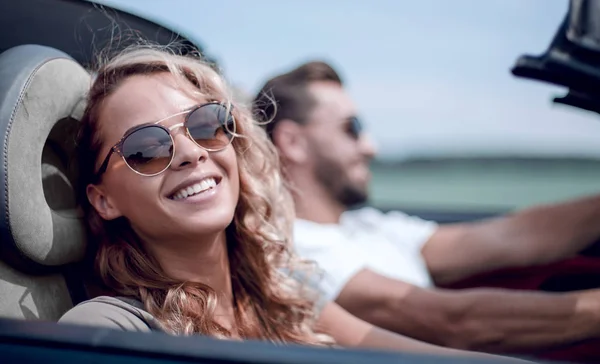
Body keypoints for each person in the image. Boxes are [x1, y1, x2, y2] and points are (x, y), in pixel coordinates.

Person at [55, 45, 529, 362]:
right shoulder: (112, 329)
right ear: (103, 200)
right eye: (145, 148)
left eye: (206, 124)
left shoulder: (280, 294)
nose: (192, 151)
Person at [252, 60, 600, 354]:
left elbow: (510, 237)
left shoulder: (365, 224)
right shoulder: (297, 248)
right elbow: (454, 320)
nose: (370, 146)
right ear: (293, 142)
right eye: (352, 128)